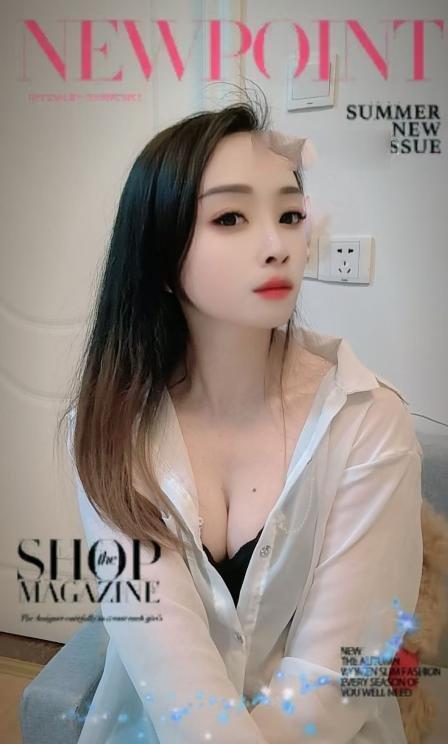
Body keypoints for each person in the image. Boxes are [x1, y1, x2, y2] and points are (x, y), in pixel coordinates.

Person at [62, 89, 423, 743]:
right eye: (230, 217)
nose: (277, 244)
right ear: (159, 254)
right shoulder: (109, 425)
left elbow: (342, 674)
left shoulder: (368, 421)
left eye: (290, 215)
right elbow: (170, 669)